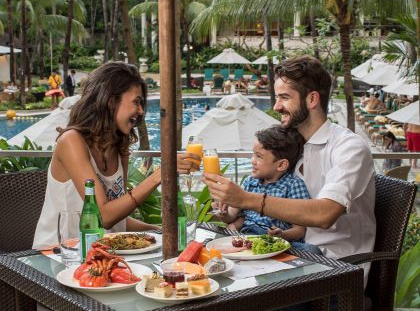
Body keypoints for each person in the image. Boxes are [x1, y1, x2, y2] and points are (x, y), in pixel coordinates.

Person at [204, 55, 376, 287]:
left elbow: (325, 215)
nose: (276, 107)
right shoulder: (290, 147)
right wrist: (232, 208)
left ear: (312, 99)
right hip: (287, 256)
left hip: (336, 268)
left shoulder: (349, 148)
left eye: (284, 97)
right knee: (211, 275)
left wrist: (246, 199)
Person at [33, 62, 200, 250]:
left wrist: (160, 232)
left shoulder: (119, 145)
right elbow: (103, 216)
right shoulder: (71, 142)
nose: (141, 111)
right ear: (111, 102)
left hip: (100, 253)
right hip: (57, 253)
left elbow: (116, 218)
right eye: (136, 102)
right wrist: (160, 175)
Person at [215, 125, 320, 253]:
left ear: (281, 165)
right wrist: (223, 214)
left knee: (312, 250)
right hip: (248, 235)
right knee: (219, 237)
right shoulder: (250, 182)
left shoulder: (293, 185)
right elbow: (231, 216)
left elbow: (300, 230)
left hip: (278, 241)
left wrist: (282, 235)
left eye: (259, 156)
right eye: (253, 154)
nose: (252, 160)